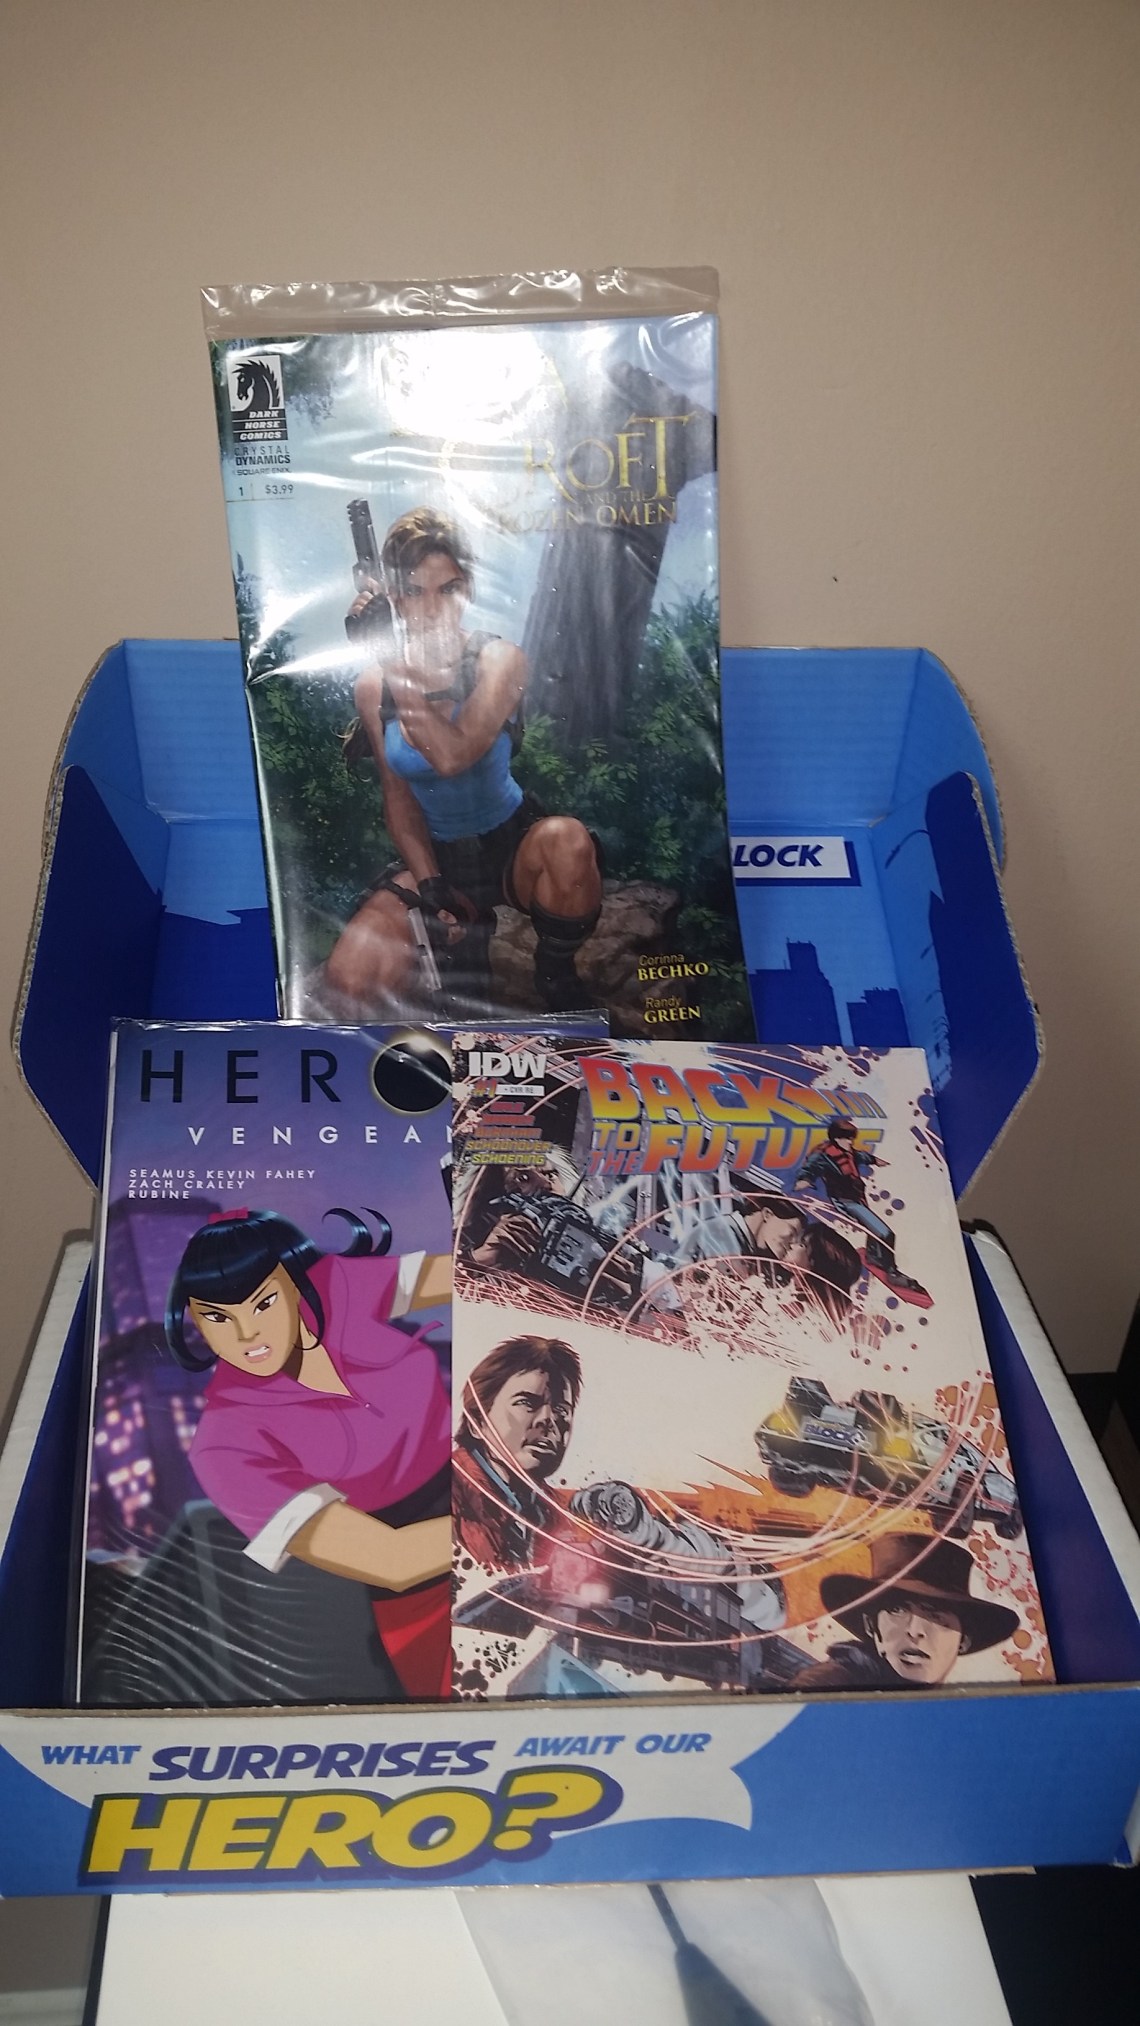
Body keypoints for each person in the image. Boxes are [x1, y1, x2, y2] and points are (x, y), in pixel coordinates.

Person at [165, 1207, 452, 1698]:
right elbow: (392, 1560)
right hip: (426, 1592)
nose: (245, 1335)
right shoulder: (224, 1447)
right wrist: (522, 1533)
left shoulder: (335, 1286)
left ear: (296, 1287)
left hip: (498, 1473)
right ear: (192, 1317)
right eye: (217, 1317)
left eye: (263, 1303)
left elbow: (455, 1276)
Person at [326, 506, 603, 1013]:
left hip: (512, 845)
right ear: (394, 598)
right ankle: (462, 953)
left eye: (448, 589)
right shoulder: (373, 688)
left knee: (567, 839)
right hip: (439, 857)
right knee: (349, 977)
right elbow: (398, 798)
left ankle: (555, 970)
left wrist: (391, 658)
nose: (432, 609)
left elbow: (452, 755)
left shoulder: (499, 660)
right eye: (414, 592)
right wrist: (431, 885)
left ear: (468, 589)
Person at [805, 1532, 1020, 1689]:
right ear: (871, 1627)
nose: (915, 1631)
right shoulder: (839, 1678)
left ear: (963, 1640)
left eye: (936, 1616)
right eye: (897, 1610)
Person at [453, 1334, 582, 1570]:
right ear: (477, 1421)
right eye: (527, 1403)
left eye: (562, 1410)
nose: (547, 1420)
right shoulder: (448, 1496)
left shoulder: (557, 1514)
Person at [795, 1117, 931, 1308]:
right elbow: (810, 1168)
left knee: (873, 1229)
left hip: (857, 1198)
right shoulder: (824, 1155)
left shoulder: (848, 1151)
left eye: (852, 1138)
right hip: (845, 1202)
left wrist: (875, 1160)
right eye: (847, 1139)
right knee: (885, 1233)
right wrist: (804, 1180)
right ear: (836, 1138)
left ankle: (875, 1257)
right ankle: (891, 1273)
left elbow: (860, 1156)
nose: (850, 1142)